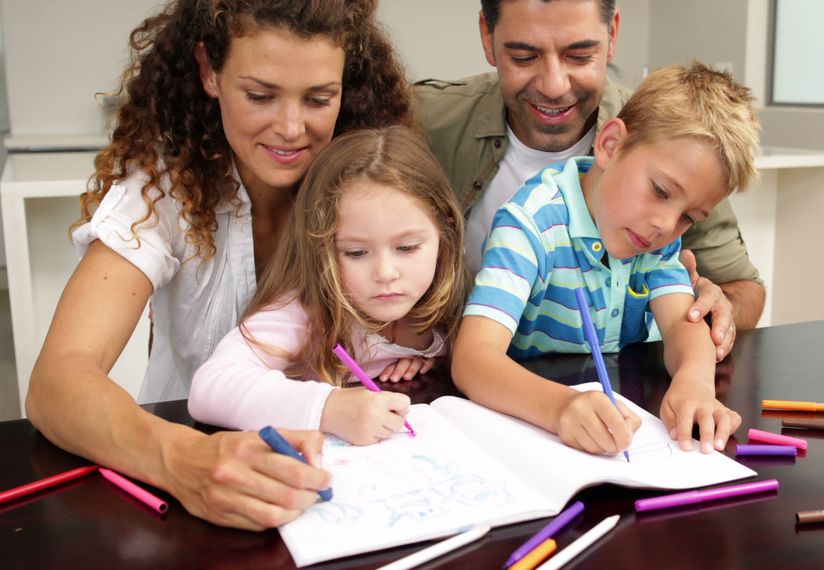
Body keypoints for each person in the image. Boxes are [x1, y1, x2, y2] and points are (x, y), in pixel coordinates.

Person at [25, 0, 414, 530]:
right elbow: (56, 383)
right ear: (209, 71)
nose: (292, 128)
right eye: (260, 95)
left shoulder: (368, 180)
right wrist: (181, 459)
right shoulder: (163, 193)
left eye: (320, 98)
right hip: (188, 470)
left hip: (349, 474)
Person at [416, 0, 765, 362]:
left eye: (580, 56)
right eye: (524, 57)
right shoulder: (421, 121)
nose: (554, 86)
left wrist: (708, 313)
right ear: (487, 37)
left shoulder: (677, 140)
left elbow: (745, 290)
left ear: (612, 34)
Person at [452, 62, 759, 457]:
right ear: (611, 145)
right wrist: (560, 408)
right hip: (533, 429)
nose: (665, 225)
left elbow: (686, 327)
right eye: (661, 190)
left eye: (688, 217)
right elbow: (473, 358)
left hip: (623, 423)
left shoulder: (657, 240)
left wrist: (695, 385)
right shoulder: (529, 226)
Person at [188, 127, 467, 444]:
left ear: (445, 232)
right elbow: (210, 387)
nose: (386, 273)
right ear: (321, 248)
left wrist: (433, 364)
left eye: (406, 248)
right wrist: (329, 409)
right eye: (356, 253)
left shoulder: (447, 314)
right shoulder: (304, 313)